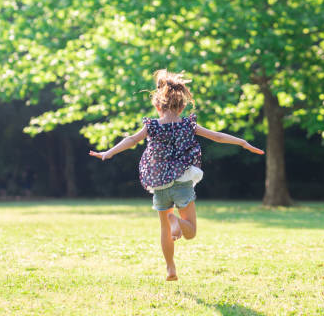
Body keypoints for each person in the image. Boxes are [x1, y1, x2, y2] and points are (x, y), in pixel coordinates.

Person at [89, 70, 264, 281]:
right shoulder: (188, 125)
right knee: (190, 232)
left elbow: (131, 140)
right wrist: (243, 143)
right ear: (182, 106)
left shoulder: (151, 126)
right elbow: (217, 136)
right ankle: (177, 221)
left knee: (164, 229)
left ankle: (170, 268)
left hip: (160, 184)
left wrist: (108, 152)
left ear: (157, 106)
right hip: (182, 182)